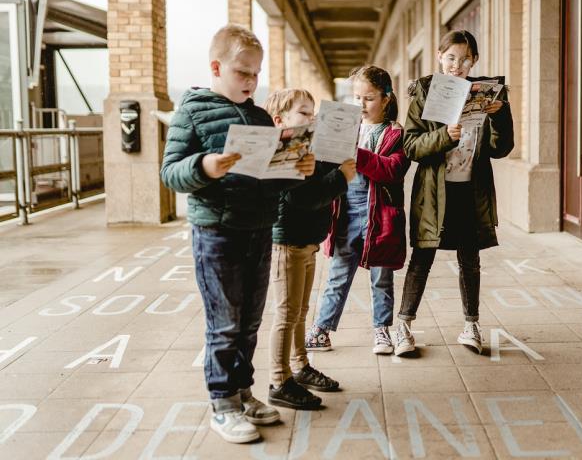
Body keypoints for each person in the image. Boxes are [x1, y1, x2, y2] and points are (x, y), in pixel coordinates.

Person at [160, 24, 315, 444]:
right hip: (216, 232)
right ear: (216, 66)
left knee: (249, 322)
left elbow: (268, 179)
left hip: (259, 230)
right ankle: (222, 403)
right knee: (224, 323)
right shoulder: (191, 110)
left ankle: (244, 392)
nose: (251, 81)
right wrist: (204, 167)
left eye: (256, 73)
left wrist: (295, 172)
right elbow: (170, 171)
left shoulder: (261, 116)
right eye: (242, 72)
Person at [393, 29, 514, 356]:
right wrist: (445, 136)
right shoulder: (425, 91)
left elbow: (501, 149)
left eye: (464, 59)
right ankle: (403, 326)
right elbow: (411, 146)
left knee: (469, 260)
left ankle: (471, 324)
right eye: (450, 58)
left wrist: (500, 114)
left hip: (471, 190)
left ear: (473, 60)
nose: (457, 65)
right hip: (434, 191)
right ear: (439, 57)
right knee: (422, 257)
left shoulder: (488, 93)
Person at [305, 65, 410, 355]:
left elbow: (392, 170)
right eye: (356, 98)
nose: (361, 105)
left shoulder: (395, 134)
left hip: (382, 217)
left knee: (381, 277)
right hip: (345, 214)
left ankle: (382, 330)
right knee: (337, 276)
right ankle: (321, 330)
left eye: (369, 98)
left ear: (387, 98)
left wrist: (356, 152)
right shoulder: (347, 127)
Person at [264, 88, 357, 409]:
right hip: (287, 240)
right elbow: (300, 197)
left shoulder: (308, 147)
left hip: (307, 239)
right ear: (281, 120)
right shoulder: (284, 151)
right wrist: (341, 178)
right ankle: (279, 380)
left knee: (301, 311)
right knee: (286, 312)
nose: (312, 117)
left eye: (313, 111)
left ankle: (300, 366)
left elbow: (317, 184)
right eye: (304, 113)